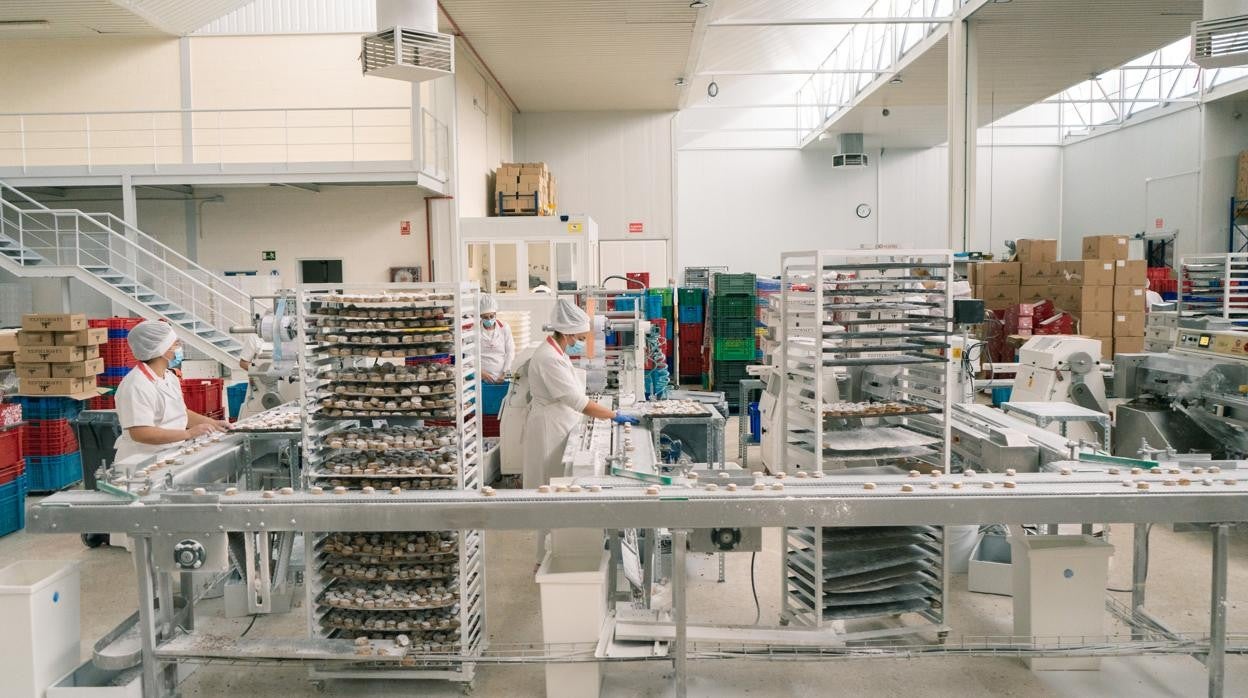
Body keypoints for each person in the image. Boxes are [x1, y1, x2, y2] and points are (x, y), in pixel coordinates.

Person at [523, 299, 638, 491]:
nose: (582, 344)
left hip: (559, 420)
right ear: (568, 334)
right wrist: (613, 415)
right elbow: (578, 402)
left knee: (557, 480)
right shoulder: (549, 358)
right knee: (547, 482)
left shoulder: (558, 353)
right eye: (581, 339)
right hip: (549, 427)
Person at [114, 320, 230, 463]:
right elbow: (140, 433)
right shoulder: (136, 385)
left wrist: (214, 423)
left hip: (170, 454)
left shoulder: (169, 377)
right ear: (161, 349)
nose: (179, 347)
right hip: (143, 461)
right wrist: (188, 433)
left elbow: (182, 413)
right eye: (175, 344)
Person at [479, 295, 515, 383]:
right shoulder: (474, 331)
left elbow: (510, 352)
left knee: (506, 394)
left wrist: (505, 374)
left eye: (491, 316)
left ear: (495, 314)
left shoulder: (504, 328)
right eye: (485, 317)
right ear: (480, 316)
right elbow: (470, 357)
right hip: (482, 378)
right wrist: (480, 373)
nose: (489, 319)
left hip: (503, 375)